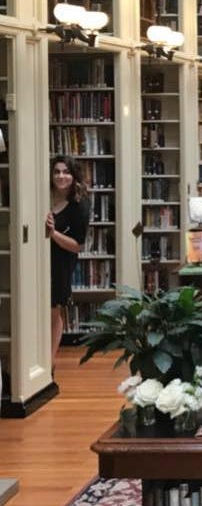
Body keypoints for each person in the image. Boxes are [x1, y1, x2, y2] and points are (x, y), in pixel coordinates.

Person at [46, 156, 90, 367]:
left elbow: (78, 245)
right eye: (57, 171)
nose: (61, 176)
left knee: (54, 310)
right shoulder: (42, 196)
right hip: (37, 260)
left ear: (73, 176)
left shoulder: (78, 206)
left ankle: (48, 362)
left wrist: (52, 233)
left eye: (66, 172)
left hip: (61, 263)